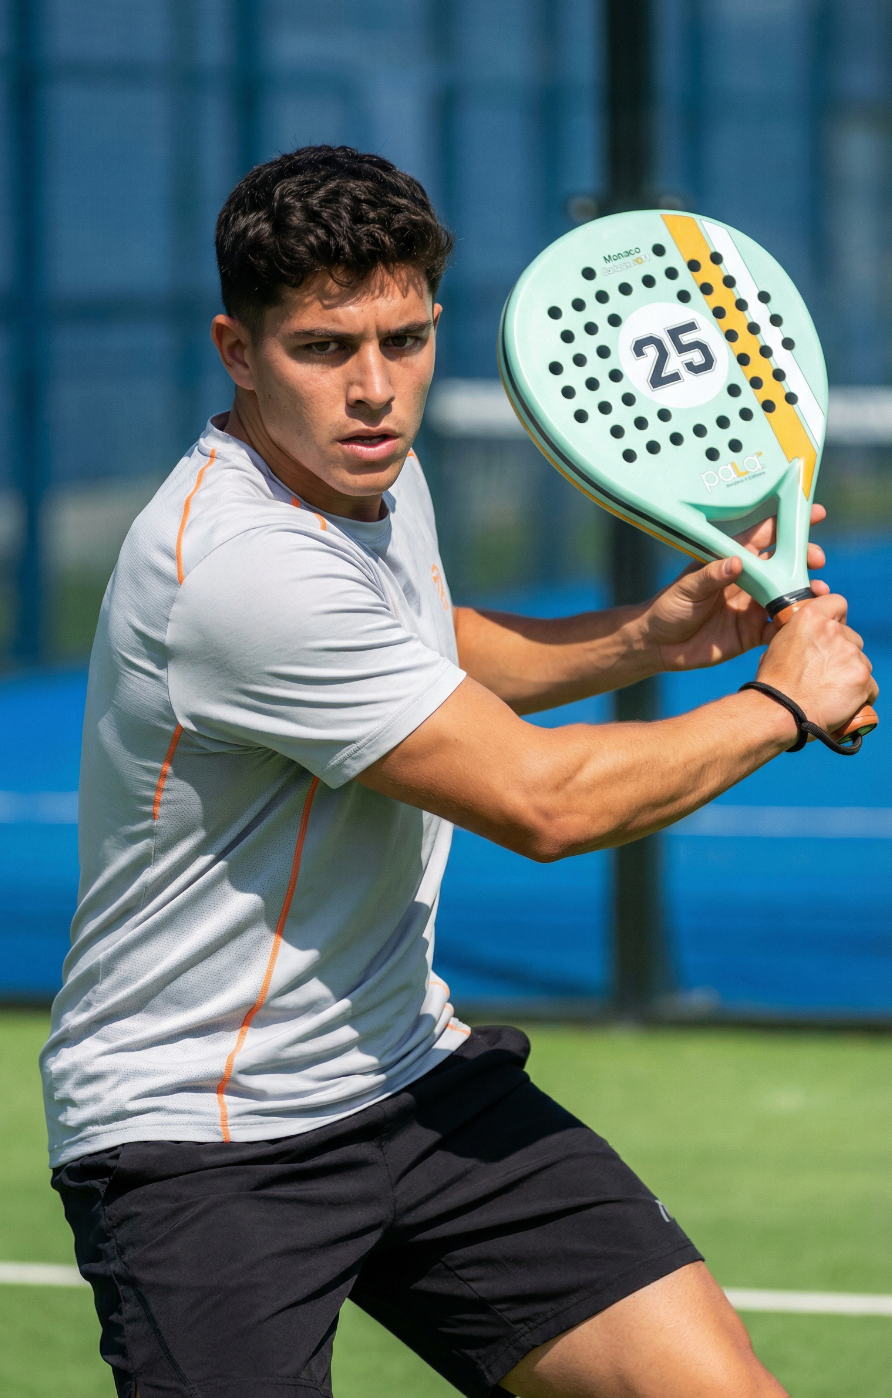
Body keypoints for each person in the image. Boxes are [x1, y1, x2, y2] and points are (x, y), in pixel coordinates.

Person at [43, 146, 875, 1398]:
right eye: (324, 348)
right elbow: (543, 802)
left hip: (410, 1075)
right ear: (236, 351)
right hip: (203, 1136)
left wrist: (642, 640)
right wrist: (780, 709)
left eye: (406, 339)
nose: (375, 389)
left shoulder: (366, 466)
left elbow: (421, 648)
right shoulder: (239, 568)